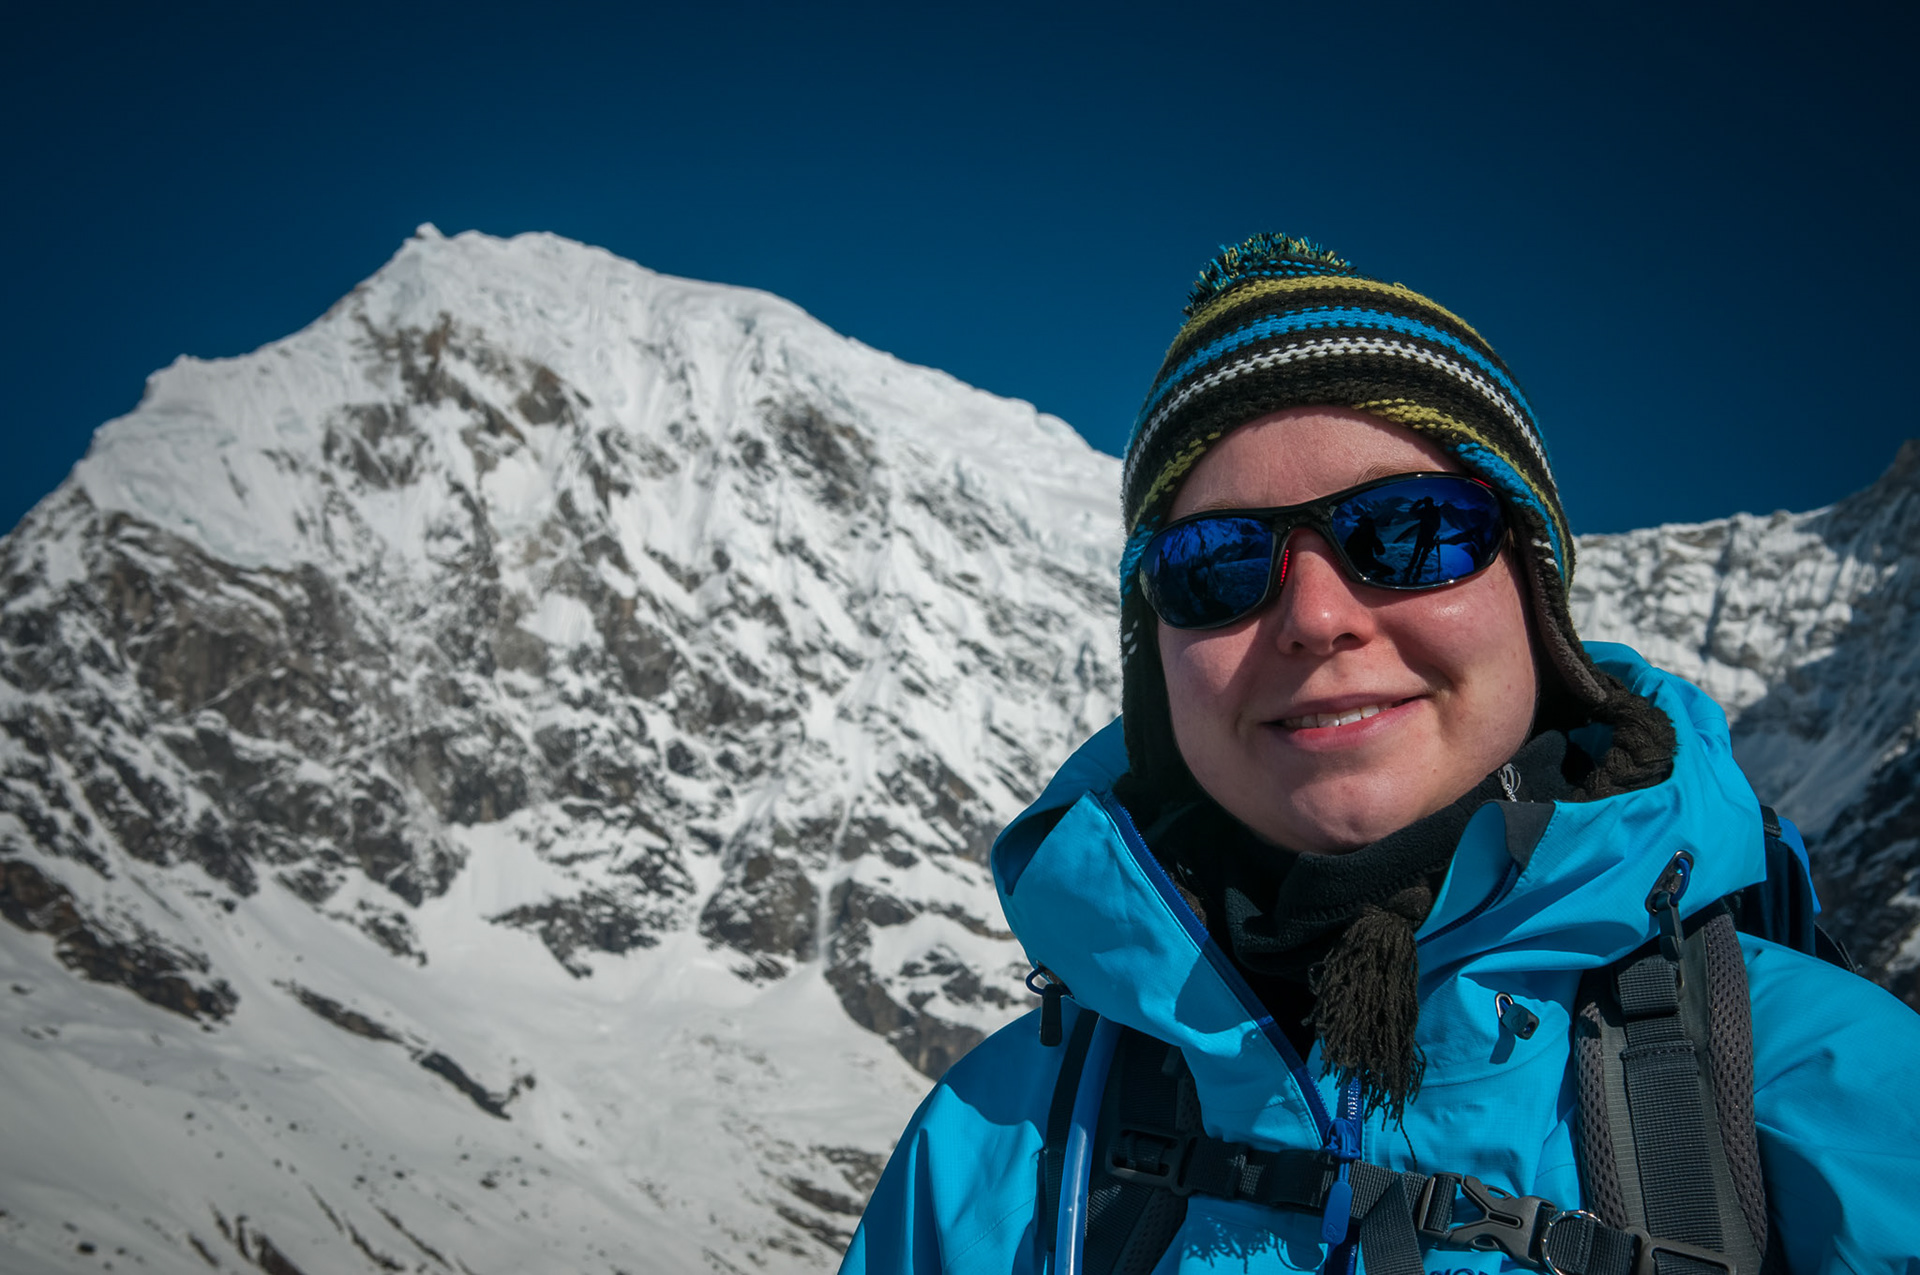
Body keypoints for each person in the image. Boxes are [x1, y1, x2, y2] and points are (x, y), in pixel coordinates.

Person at [838, 234, 1920, 1274]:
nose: (1315, 616)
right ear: (1155, 658)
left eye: (1410, 528)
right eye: (1216, 563)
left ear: (1536, 599)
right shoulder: (991, 1151)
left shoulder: (1833, 1086)